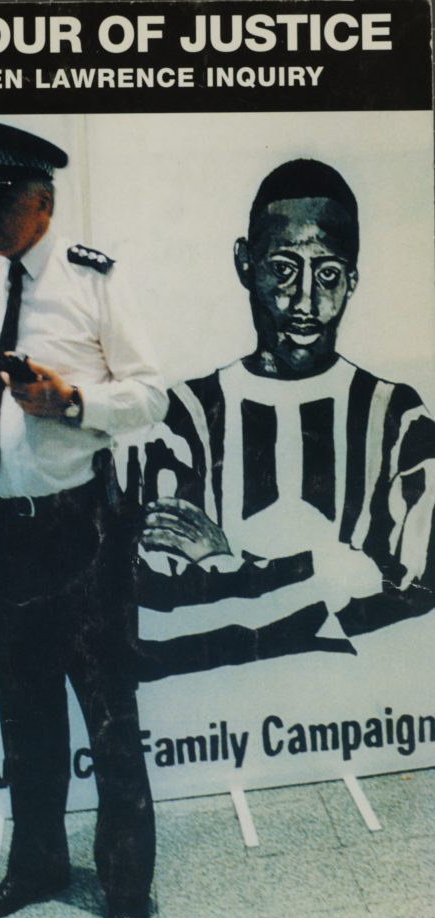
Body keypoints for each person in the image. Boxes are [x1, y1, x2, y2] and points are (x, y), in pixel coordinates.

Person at [0, 122, 168, 918]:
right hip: (1, 536)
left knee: (109, 719)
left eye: (6, 196)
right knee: (25, 716)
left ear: (43, 203)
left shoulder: (93, 283)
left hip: (81, 535)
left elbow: (151, 394)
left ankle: (124, 893)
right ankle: (39, 866)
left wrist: (73, 404)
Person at [136, 159, 435, 680]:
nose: (304, 301)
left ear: (353, 280)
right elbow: (159, 619)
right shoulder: (184, 419)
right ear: (244, 263)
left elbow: (416, 601)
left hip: (354, 714)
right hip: (223, 728)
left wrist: (224, 567)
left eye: (328, 275)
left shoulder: (399, 420)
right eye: (283, 268)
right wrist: (334, 569)